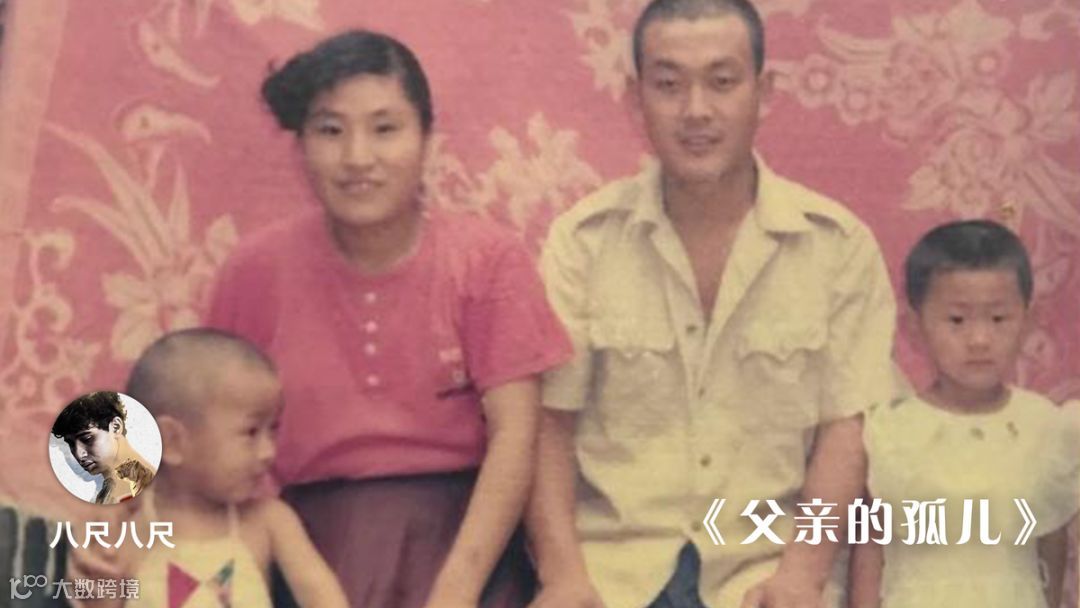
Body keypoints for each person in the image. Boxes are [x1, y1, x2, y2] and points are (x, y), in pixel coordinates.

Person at [527, 1, 902, 606]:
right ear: (635, 98)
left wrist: (801, 576)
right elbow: (549, 424)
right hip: (613, 574)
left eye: (722, 82)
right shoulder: (583, 242)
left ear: (764, 91)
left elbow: (846, 430)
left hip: (765, 572)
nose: (696, 110)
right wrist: (563, 576)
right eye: (669, 85)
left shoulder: (837, 247)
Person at [207, 30, 572, 607]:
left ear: (427, 140)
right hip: (302, 549)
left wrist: (457, 589)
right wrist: (119, 524)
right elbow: (194, 420)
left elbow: (516, 435)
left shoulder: (487, 260)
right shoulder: (254, 271)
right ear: (301, 146)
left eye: (385, 129)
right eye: (331, 130)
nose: (358, 158)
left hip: (468, 543)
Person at [849, 220, 1080, 608]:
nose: (979, 340)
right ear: (914, 327)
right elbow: (871, 547)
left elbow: (1050, 540)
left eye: (998, 319)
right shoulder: (890, 429)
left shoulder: (1045, 426)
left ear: (1028, 321)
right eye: (956, 320)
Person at [75, 328, 348, 608]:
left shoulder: (269, 522)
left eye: (273, 430)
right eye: (251, 432)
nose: (268, 452)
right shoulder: (130, 529)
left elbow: (324, 599)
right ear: (173, 442)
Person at [51, 391, 157, 505]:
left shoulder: (145, 485)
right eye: (71, 444)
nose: (78, 454)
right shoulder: (108, 491)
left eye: (87, 439)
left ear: (116, 427)